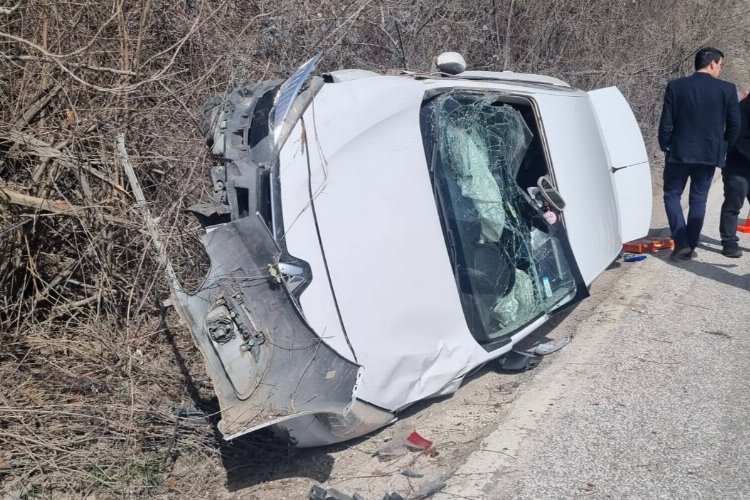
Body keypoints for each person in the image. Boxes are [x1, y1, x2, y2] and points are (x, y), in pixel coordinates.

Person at [658, 47, 741, 261]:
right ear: (712, 63)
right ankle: (690, 245)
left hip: (678, 152)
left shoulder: (676, 86)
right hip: (708, 153)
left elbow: (666, 121)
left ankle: (681, 241)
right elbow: (734, 125)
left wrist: (665, 145)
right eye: (720, 65)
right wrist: (724, 148)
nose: (720, 69)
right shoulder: (727, 89)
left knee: (671, 195)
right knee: (698, 200)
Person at [718, 88, 750, 257]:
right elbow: (732, 139)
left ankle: (729, 242)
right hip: (737, 166)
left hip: (737, 164)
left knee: (732, 205)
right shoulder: (738, 109)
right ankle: (729, 242)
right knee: (733, 205)